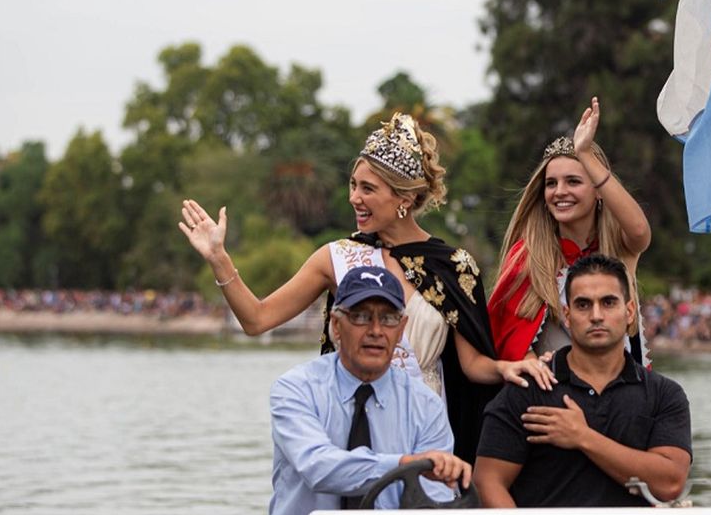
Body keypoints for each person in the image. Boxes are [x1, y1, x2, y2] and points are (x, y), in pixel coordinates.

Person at [179, 113, 551, 461]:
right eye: (354, 185)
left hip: (426, 426)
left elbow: (471, 366)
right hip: (349, 418)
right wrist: (219, 259)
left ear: (404, 198)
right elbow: (257, 320)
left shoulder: (454, 266)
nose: (354, 197)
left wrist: (505, 368)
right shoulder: (336, 257)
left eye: (368, 189)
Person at [254, 266, 472, 515]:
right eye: (361, 316)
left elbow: (434, 508)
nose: (375, 331)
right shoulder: (295, 389)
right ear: (335, 327)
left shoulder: (426, 404)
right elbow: (318, 466)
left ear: (402, 330)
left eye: (387, 319)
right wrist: (403, 464)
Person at [474, 254, 692, 508]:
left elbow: (670, 484)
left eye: (608, 303)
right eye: (583, 305)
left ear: (630, 311)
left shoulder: (663, 394)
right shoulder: (529, 388)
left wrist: (583, 436)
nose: (596, 315)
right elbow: (487, 482)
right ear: (567, 315)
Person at [488, 97, 652, 366]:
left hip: (627, 399)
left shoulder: (617, 249)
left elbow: (639, 229)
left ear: (599, 190)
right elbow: (510, 341)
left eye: (573, 181)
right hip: (558, 397)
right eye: (551, 183)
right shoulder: (528, 258)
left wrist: (585, 154)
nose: (560, 191)